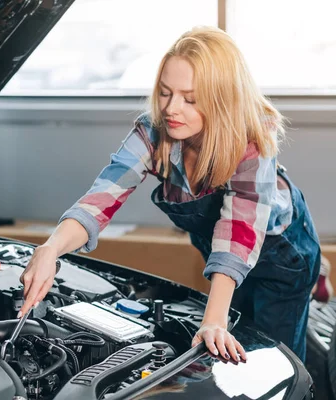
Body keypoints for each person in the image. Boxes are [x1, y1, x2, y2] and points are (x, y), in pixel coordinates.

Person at [18, 26, 322, 363]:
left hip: (281, 259)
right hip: (221, 255)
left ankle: (311, 281)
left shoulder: (251, 141)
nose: (171, 109)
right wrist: (50, 249)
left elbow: (237, 233)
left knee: (272, 357)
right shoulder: (154, 130)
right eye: (165, 93)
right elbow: (103, 195)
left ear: (222, 99)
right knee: (239, 331)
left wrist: (213, 321)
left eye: (190, 98)